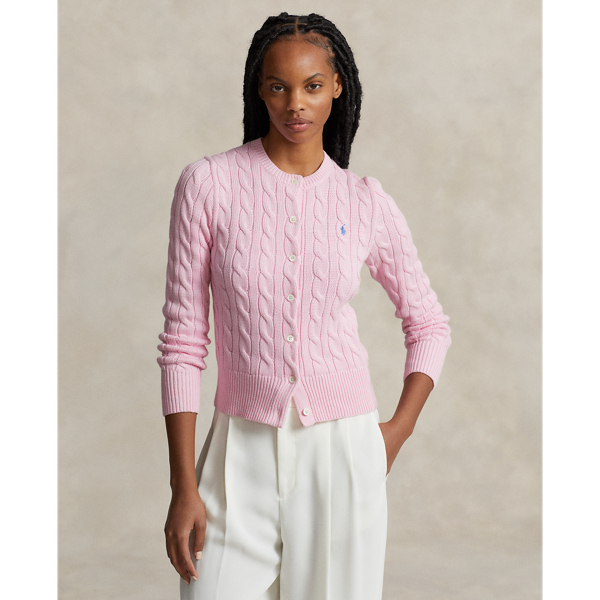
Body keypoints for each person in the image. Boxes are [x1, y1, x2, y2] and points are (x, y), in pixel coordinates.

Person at [157, 12, 451, 600]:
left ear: (337, 86)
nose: (296, 103)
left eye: (312, 86)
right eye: (279, 86)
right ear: (259, 90)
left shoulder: (364, 201)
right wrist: (183, 484)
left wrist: (394, 434)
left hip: (341, 453)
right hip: (238, 450)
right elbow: (183, 341)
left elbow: (428, 324)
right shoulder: (208, 185)